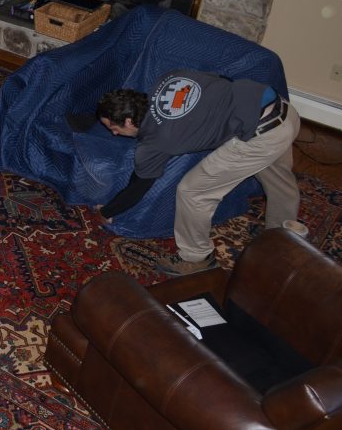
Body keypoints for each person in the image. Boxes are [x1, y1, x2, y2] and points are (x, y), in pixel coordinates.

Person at [95, 69, 300, 276]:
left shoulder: (155, 143)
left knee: (192, 192)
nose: (114, 133)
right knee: (278, 179)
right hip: (282, 111)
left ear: (129, 122)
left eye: (113, 128)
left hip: (263, 136)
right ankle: (282, 234)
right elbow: (221, 80)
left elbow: (138, 186)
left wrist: (108, 211)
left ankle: (196, 257)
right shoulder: (169, 79)